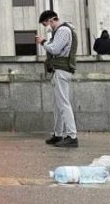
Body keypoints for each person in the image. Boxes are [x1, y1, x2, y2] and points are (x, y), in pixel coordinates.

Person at [35, 10, 78, 148]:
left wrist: (43, 42)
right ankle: (58, 134)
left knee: (63, 103)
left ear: (51, 20)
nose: (47, 27)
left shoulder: (63, 30)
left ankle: (72, 136)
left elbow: (54, 49)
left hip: (61, 69)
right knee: (58, 105)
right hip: (58, 69)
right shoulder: (61, 30)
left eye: (46, 24)